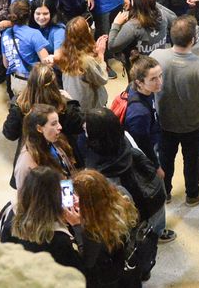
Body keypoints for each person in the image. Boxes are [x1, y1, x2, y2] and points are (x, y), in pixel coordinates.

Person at [79, 107, 173, 250]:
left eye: (87, 129)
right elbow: (142, 155)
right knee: (155, 220)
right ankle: (157, 234)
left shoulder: (95, 165)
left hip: (131, 206)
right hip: (151, 193)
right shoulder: (124, 138)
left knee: (138, 235)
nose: (85, 131)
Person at [152, 16, 199, 205]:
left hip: (164, 121)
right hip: (193, 124)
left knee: (165, 157)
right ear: (192, 40)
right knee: (192, 159)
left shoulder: (156, 56)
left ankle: (164, 193)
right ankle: (192, 193)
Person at [71, 169, 144, 287]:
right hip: (129, 262)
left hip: (111, 277)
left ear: (90, 203)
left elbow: (88, 263)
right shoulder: (122, 195)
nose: (73, 199)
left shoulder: (93, 231)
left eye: (77, 196)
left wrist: (76, 226)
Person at [8, 166, 82, 271]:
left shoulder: (12, 214)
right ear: (55, 200)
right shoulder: (58, 239)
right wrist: (77, 227)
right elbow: (82, 269)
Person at [2, 64, 83, 151]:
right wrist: (71, 100)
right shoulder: (64, 106)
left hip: (34, 153)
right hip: (63, 150)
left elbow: (9, 134)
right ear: (54, 83)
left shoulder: (19, 106)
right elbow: (79, 127)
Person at [108, 0, 176, 73]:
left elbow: (112, 46)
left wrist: (116, 24)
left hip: (140, 70)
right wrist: (149, 3)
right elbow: (175, 19)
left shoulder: (132, 26)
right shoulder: (162, 15)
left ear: (135, 3)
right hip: (159, 63)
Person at [13, 105, 76, 192]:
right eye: (54, 124)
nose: (60, 127)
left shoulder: (56, 140)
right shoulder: (26, 165)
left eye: (58, 122)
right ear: (39, 128)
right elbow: (28, 199)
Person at [54, 16, 109, 109]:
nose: (89, 28)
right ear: (85, 35)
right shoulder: (86, 60)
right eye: (87, 27)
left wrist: (94, 49)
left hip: (72, 101)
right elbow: (102, 79)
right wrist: (101, 55)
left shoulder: (62, 53)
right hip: (89, 107)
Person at [0, 0, 54, 93]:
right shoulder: (34, 34)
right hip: (33, 83)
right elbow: (47, 64)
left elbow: (6, 64)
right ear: (30, 13)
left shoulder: (6, 34)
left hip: (15, 81)